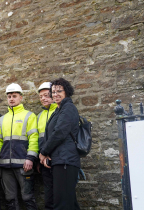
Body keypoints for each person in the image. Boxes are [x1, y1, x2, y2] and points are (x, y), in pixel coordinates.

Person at [0, 83, 39, 210]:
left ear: (21, 98)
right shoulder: (2, 120)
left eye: (14, 96)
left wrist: (30, 158)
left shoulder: (29, 116)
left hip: (24, 164)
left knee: (28, 198)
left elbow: (34, 138)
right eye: (9, 96)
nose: (11, 99)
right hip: (5, 166)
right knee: (10, 199)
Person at [39, 78, 81, 210]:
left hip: (66, 161)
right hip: (60, 160)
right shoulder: (58, 109)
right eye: (53, 92)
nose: (55, 94)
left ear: (66, 92)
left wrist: (43, 152)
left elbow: (59, 133)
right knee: (69, 203)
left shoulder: (68, 108)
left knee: (62, 204)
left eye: (59, 91)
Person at [36, 82, 57, 210]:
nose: (43, 98)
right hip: (44, 161)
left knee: (62, 195)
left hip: (58, 159)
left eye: (46, 95)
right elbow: (38, 139)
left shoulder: (60, 111)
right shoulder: (39, 116)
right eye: (41, 96)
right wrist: (39, 160)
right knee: (48, 195)